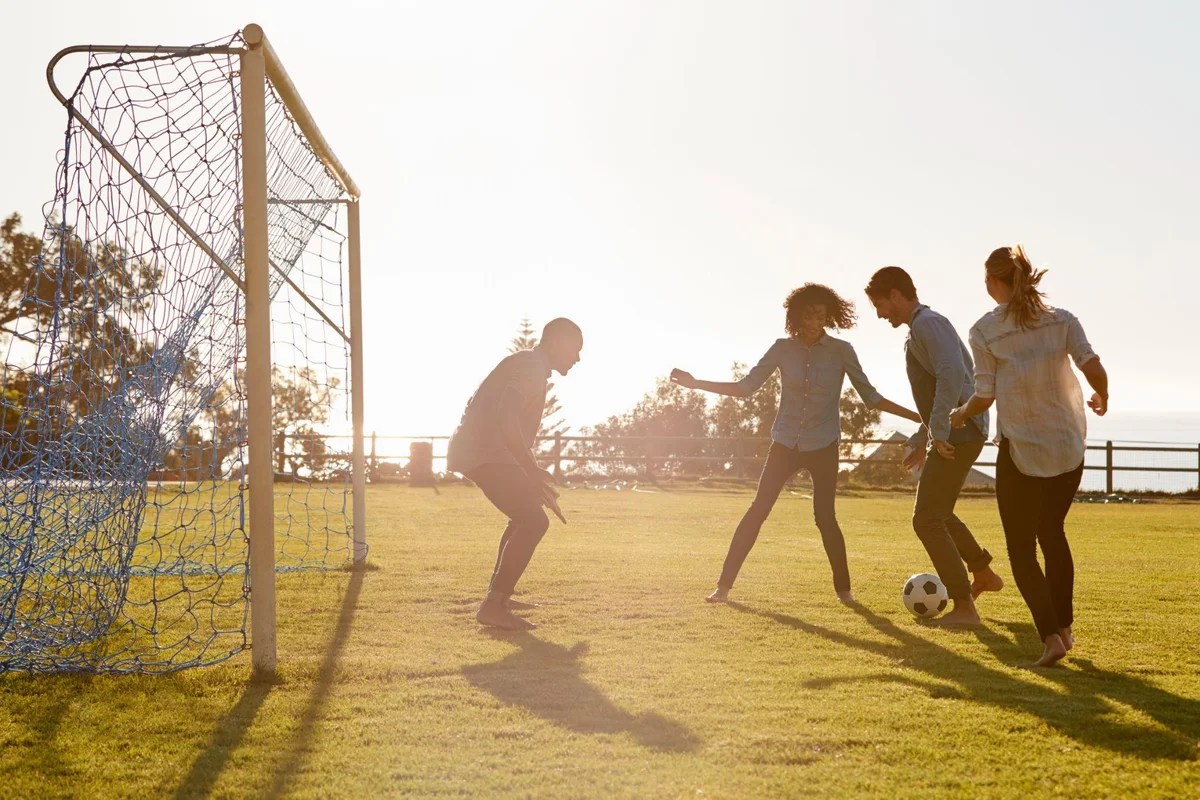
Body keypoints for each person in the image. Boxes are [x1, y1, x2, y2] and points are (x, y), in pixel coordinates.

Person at [671, 283, 921, 605]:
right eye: (809, 315)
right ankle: (723, 588)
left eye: (821, 315)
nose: (815, 321)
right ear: (796, 317)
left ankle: (845, 593)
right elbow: (747, 388)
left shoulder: (842, 351)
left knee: (825, 518)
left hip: (824, 444)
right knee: (757, 511)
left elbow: (871, 398)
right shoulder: (781, 349)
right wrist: (696, 384)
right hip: (785, 442)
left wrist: (919, 416)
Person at [950, 246, 1108, 666]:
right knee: (1052, 532)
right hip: (1067, 445)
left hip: (1020, 448)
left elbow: (984, 394)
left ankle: (1052, 637)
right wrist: (1102, 394)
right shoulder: (1062, 320)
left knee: (1021, 550)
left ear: (995, 282)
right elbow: (1091, 364)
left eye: (987, 279)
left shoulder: (985, 330)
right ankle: (1066, 627)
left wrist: (961, 412)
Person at [864, 266, 1004, 627]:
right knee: (937, 513)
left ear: (895, 294)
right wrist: (922, 436)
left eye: (880, 305)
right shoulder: (919, 329)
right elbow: (933, 393)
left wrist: (939, 430)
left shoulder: (929, 324)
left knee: (926, 519)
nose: (880, 314)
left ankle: (964, 607)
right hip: (954, 430)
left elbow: (952, 375)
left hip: (960, 430)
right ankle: (982, 572)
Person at [448, 318, 584, 630]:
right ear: (558, 343)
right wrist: (529, 470)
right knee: (534, 521)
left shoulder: (531, 367)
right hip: (485, 454)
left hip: (489, 454)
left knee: (525, 516)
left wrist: (529, 475)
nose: (577, 358)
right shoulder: (530, 368)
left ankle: (499, 597)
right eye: (575, 349)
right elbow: (507, 417)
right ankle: (494, 604)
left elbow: (510, 425)